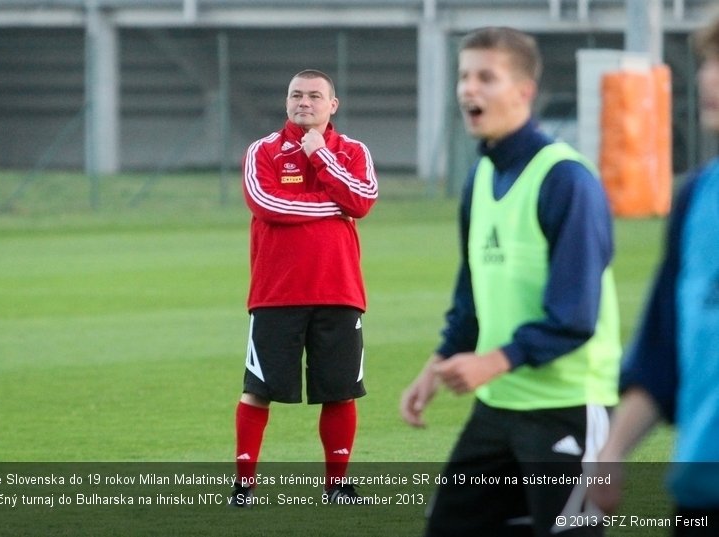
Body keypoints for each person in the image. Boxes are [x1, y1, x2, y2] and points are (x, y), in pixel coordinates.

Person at [399, 27, 621, 536]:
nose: (467, 89)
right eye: (463, 76)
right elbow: (471, 296)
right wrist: (436, 368)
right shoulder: (478, 179)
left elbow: (575, 316)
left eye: (485, 77)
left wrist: (492, 361)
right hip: (499, 406)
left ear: (523, 91)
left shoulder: (566, 179)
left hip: (567, 406)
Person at [588, 17, 719, 535]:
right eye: (709, 62)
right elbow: (661, 354)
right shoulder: (696, 200)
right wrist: (612, 449)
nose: (708, 78)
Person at [230, 69, 378, 506]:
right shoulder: (264, 151)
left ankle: (337, 485)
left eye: (315, 96)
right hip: (277, 292)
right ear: (287, 102)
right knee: (258, 389)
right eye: (296, 95)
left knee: (340, 389)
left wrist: (321, 158)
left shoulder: (351, 150)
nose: (304, 102)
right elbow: (266, 204)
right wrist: (334, 206)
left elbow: (363, 200)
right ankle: (244, 485)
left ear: (333, 105)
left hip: (340, 291)